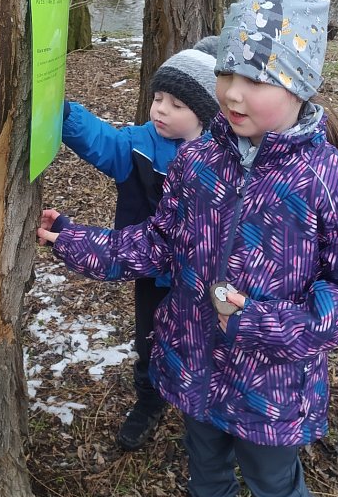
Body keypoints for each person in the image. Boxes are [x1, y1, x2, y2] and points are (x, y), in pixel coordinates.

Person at [38, 0, 338, 497]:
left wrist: (260, 324)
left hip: (271, 392)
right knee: (205, 470)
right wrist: (74, 240)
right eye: (228, 71)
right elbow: (160, 241)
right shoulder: (199, 159)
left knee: (275, 487)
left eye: (256, 80)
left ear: (300, 85)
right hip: (194, 367)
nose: (233, 92)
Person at [61, 38, 220, 450]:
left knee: (204, 346)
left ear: (205, 113)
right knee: (148, 339)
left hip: (204, 279)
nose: (160, 109)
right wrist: (61, 114)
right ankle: (149, 402)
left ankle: (203, 416)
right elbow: (101, 140)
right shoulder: (138, 145)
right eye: (159, 98)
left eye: (176, 104)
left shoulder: (223, 159)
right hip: (149, 267)